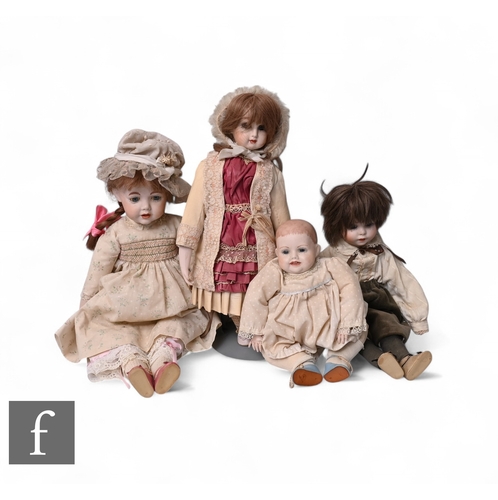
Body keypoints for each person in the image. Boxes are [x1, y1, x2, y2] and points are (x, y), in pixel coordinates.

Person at [54, 129, 218, 397]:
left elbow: (197, 253)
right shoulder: (115, 233)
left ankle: (163, 360)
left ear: (168, 195)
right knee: (122, 329)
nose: (146, 207)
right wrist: (87, 302)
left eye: (156, 197)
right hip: (138, 305)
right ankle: (133, 362)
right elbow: (98, 269)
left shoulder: (178, 225)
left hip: (169, 304)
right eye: (135, 198)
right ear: (117, 194)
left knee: (174, 325)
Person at [176, 85, 290, 345]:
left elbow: (281, 215)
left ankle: (250, 322)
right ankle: (229, 321)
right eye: (245, 126)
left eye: (262, 128)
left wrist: (289, 247)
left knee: (255, 282)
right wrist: (185, 250)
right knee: (223, 278)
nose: (254, 135)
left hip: (257, 240)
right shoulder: (209, 166)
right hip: (219, 238)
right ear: (229, 126)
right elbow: (194, 210)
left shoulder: (270, 171)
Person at [320, 165, 432, 380]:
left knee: (386, 323)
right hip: (346, 305)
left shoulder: (381, 253)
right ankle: (382, 359)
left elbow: (402, 281)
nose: (362, 232)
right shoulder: (330, 255)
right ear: (336, 225)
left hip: (376, 299)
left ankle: (405, 359)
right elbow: (315, 279)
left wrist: (418, 317)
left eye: (369, 224)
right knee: (354, 334)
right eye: (353, 227)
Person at [238, 219, 368, 387]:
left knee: (358, 331)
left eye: (302, 250)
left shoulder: (330, 265)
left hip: (329, 325)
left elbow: (350, 288)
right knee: (271, 348)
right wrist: (256, 332)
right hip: (288, 330)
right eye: (285, 251)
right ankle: (301, 363)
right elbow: (255, 297)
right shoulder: (274, 272)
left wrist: (347, 324)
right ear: (277, 253)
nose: (294, 256)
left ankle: (338, 359)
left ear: (316, 250)